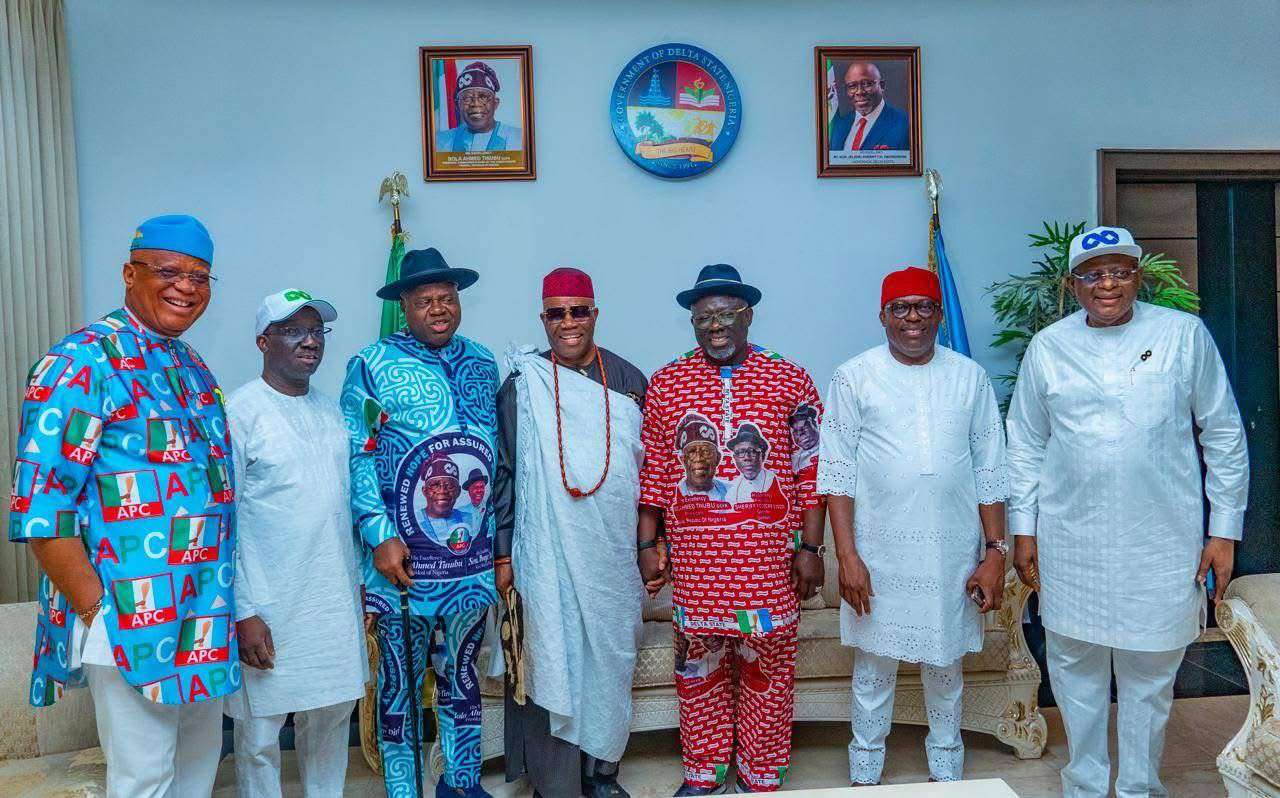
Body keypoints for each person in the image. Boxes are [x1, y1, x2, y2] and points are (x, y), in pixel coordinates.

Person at [1006, 226, 1249, 798]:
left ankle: (1140, 787)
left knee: (1150, 675)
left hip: (1160, 542)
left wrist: (1224, 531)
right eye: (1093, 275)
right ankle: (1085, 786)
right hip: (1072, 542)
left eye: (1119, 271)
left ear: (1138, 277)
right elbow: (1025, 445)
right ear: (1073, 285)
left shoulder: (1183, 336)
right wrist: (1023, 529)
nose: (1108, 284)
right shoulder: (1048, 348)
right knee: (1075, 671)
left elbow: (1223, 434)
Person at [8, 214, 238, 796]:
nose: (186, 287)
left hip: (203, 616)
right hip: (129, 616)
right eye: (169, 271)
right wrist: (99, 613)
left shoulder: (192, 367)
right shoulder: (81, 362)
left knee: (198, 771)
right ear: (129, 273)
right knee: (143, 779)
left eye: (200, 277)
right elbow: (42, 510)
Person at [638, 264, 826, 794]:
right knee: (698, 669)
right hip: (698, 568)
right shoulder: (668, 382)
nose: (715, 326)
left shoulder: (789, 377)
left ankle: (760, 771)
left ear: (749, 315)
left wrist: (812, 548)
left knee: (770, 670)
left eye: (725, 315)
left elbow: (812, 469)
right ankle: (704, 771)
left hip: (767, 567)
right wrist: (647, 542)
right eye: (703, 319)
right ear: (692, 323)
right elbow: (654, 472)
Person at [818, 266, 1009, 786]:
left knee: (946, 670)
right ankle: (865, 774)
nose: (912, 318)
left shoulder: (969, 376)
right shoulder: (853, 377)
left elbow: (991, 470)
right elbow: (836, 474)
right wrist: (848, 557)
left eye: (924, 306)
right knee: (873, 671)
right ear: (881, 316)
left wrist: (995, 552)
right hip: (879, 554)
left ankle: (947, 773)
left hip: (952, 553)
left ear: (939, 314)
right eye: (899, 308)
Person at [341, 247, 499, 798]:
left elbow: (495, 457)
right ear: (404, 306)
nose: (439, 309)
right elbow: (357, 453)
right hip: (402, 563)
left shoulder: (483, 362)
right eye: (425, 300)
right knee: (400, 686)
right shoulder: (371, 364)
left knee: (463, 676)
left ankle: (462, 783)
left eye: (447, 298)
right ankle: (404, 790)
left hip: (470, 561)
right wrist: (378, 534)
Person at [494, 267, 649, 798]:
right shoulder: (524, 385)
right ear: (543, 319)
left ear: (594, 314)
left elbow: (650, 475)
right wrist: (502, 555)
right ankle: (554, 783)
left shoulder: (629, 381)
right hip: (545, 555)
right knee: (550, 656)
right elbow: (505, 473)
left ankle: (601, 773)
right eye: (556, 313)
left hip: (611, 556)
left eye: (578, 311)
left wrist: (651, 545)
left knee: (609, 661)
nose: (568, 323)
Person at [226, 288, 366, 797]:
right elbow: (225, 522)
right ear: (263, 342)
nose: (310, 341)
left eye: (316, 331)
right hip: (269, 605)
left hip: (331, 603)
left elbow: (342, 510)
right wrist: (243, 611)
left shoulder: (332, 413)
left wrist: (359, 591)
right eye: (293, 331)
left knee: (331, 719)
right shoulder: (239, 413)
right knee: (260, 734)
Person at [435, 61, 524, 153]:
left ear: (495, 103)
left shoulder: (521, 139)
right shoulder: (439, 142)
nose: (476, 103)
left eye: (483, 97)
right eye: (467, 98)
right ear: (458, 105)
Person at [830, 62, 910, 152]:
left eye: (867, 84)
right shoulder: (839, 125)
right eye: (852, 86)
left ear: (882, 86)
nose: (859, 92)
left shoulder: (905, 124)